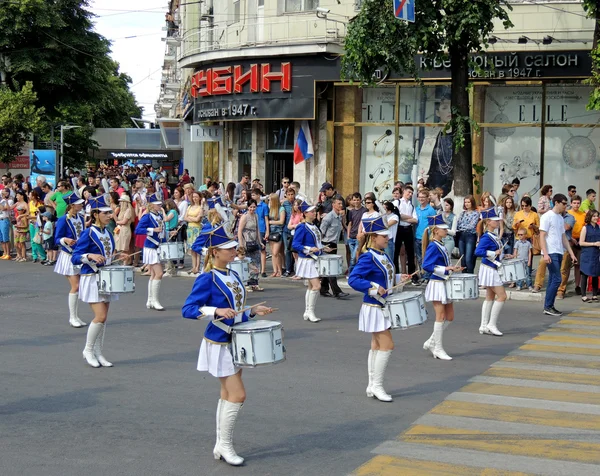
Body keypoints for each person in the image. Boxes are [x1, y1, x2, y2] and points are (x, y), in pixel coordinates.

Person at [181, 225, 273, 466]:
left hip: (236, 339)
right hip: (220, 341)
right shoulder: (206, 278)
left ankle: (221, 444)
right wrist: (215, 310)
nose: (234, 251)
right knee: (238, 394)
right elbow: (188, 310)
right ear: (214, 252)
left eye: (233, 247)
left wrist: (252, 311)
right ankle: (226, 445)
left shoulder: (233, 275)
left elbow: (237, 311)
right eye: (228, 249)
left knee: (227, 394)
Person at [348, 216, 409, 402]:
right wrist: (374, 288)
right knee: (387, 345)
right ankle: (377, 385)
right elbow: (353, 279)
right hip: (375, 306)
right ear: (374, 237)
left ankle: (371, 384)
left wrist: (398, 278)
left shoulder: (383, 254)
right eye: (384, 236)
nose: (387, 238)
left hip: (381, 305)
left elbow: (385, 276)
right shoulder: (368, 256)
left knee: (376, 345)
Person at [72, 195, 125, 368]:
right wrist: (89, 256)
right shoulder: (88, 233)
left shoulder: (107, 232)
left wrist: (119, 254)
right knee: (100, 316)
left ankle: (98, 351)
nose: (110, 215)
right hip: (92, 278)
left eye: (110, 212)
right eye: (105, 213)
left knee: (104, 318)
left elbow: (109, 254)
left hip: (106, 277)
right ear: (95, 214)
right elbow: (75, 257)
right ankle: (87, 350)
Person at [421, 214, 463, 360]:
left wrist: (452, 268)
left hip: (444, 282)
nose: (446, 231)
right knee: (441, 316)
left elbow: (444, 265)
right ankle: (437, 348)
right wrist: (445, 269)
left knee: (450, 317)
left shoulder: (441, 244)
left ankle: (432, 341)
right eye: (444, 229)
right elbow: (426, 266)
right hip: (437, 283)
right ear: (436, 230)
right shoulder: (433, 245)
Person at [475, 208, 512, 336]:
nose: (498, 222)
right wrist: (493, 253)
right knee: (502, 296)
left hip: (491, 267)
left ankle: (483, 325)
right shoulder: (486, 237)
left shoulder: (493, 235)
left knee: (490, 296)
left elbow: (496, 252)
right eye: (495, 220)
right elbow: (478, 252)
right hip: (490, 269)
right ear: (489, 222)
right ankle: (491, 324)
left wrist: (503, 256)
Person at [539, 193, 577, 316]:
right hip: (550, 252)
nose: (566, 206)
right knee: (557, 279)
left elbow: (563, 238)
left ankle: (548, 306)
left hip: (559, 251)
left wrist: (571, 254)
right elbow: (542, 236)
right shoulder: (546, 216)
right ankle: (548, 306)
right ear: (556, 203)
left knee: (553, 279)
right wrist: (545, 254)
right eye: (564, 203)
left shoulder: (560, 218)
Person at [292, 201, 325, 322]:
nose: (314, 213)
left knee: (311, 286)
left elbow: (316, 242)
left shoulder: (314, 226)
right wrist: (309, 249)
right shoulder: (302, 226)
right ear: (305, 213)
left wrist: (323, 247)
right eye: (311, 211)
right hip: (307, 260)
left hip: (314, 259)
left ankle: (307, 311)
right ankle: (310, 312)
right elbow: (295, 244)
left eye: (314, 211)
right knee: (317, 286)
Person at [135, 193, 167, 311]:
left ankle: (150, 300)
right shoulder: (147, 216)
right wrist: (152, 229)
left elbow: (162, 231)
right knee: (159, 274)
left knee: (154, 274)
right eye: (158, 204)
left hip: (158, 246)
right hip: (151, 247)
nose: (160, 206)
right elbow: (138, 230)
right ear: (152, 205)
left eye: (160, 204)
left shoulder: (158, 216)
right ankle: (155, 300)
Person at [319, 196, 350, 299]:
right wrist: (322, 246)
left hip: (334, 244)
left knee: (328, 268)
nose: (341, 206)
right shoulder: (328, 217)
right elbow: (321, 233)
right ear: (333, 205)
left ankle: (323, 289)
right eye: (338, 204)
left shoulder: (339, 216)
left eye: (341, 204)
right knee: (331, 269)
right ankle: (337, 292)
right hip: (326, 244)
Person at [559, 195, 585, 297]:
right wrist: (571, 239)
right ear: (571, 203)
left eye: (578, 203)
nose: (576, 205)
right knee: (566, 266)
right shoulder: (567, 214)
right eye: (574, 203)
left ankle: (577, 286)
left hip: (579, 242)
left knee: (578, 266)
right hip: (569, 240)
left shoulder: (583, 215)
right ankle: (562, 288)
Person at [237, 199, 264, 292]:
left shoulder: (256, 215)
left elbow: (257, 229)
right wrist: (241, 243)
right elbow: (240, 230)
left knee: (256, 262)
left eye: (254, 207)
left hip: (254, 240)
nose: (252, 209)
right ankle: (247, 283)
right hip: (246, 241)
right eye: (250, 207)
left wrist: (260, 241)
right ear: (248, 207)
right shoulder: (245, 216)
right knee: (247, 263)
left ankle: (255, 283)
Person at [395, 186, 418, 280]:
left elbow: (415, 220)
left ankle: (412, 275)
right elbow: (397, 215)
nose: (410, 194)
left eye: (411, 193)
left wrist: (405, 217)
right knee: (396, 252)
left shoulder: (411, 205)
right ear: (404, 191)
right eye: (409, 192)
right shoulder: (398, 202)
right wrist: (409, 218)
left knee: (410, 252)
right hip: (399, 228)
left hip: (408, 228)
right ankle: (396, 275)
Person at [414, 188, 436, 281]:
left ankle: (427, 276)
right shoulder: (416, 209)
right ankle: (423, 275)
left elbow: (433, 225)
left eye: (423, 197)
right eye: (420, 197)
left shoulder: (430, 210)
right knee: (419, 258)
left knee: (426, 257)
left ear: (427, 198)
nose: (421, 199)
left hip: (426, 238)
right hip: (417, 236)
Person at [579, 210, 600, 303]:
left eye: (597, 216)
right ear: (589, 217)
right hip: (587, 253)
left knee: (595, 274)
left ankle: (594, 295)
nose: (596, 218)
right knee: (585, 274)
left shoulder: (599, 227)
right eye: (594, 216)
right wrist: (593, 243)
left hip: (596, 253)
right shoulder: (585, 228)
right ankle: (583, 295)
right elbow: (581, 242)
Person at [250, 189, 269, 277]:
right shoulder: (251, 205)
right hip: (252, 228)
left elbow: (266, 219)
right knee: (253, 249)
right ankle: (254, 269)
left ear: (258, 195)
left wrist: (267, 231)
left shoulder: (264, 206)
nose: (252, 196)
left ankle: (263, 270)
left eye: (254, 195)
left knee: (262, 250)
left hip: (261, 229)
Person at [346, 192, 367, 275]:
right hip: (351, 236)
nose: (356, 202)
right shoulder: (351, 212)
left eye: (358, 200)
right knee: (353, 256)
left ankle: (352, 272)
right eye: (354, 200)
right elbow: (350, 223)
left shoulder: (364, 211)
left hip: (359, 236)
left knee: (354, 256)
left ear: (360, 200)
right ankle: (353, 272)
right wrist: (348, 236)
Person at [185, 191, 204, 275]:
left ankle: (197, 266)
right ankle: (193, 266)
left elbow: (198, 219)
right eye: (193, 197)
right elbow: (185, 217)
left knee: (197, 248)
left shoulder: (200, 208)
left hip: (197, 228)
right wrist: (193, 218)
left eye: (196, 197)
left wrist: (190, 218)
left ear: (199, 197)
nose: (195, 198)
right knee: (192, 248)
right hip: (190, 229)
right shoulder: (189, 207)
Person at [268, 193, 285, 277]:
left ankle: (280, 270)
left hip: (278, 232)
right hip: (271, 232)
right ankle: (275, 270)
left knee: (276, 252)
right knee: (273, 253)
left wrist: (271, 222)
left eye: (270, 200)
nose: (269, 201)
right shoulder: (270, 209)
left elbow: (281, 221)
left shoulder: (281, 209)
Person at [281, 187, 296, 277]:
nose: (290, 196)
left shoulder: (297, 203)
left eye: (292, 194)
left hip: (295, 230)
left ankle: (294, 268)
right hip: (286, 230)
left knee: (295, 250)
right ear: (286, 195)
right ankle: (288, 269)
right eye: (289, 194)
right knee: (287, 250)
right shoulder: (284, 204)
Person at [114, 195, 134, 264]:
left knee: (124, 248)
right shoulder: (122, 211)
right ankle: (121, 263)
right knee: (119, 247)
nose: (120, 203)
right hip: (120, 229)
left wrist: (117, 221)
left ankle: (125, 263)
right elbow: (118, 221)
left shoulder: (128, 210)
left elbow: (124, 222)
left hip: (125, 230)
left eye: (121, 202)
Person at [0, 188, 13, 259]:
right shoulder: (1, 200)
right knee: (1, 238)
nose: (2, 193)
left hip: (5, 219)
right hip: (0, 219)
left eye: (4, 192)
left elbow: (5, 208)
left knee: (6, 237)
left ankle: (8, 253)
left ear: (7, 193)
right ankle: (4, 252)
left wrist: (5, 200)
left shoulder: (10, 201)